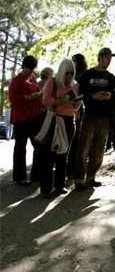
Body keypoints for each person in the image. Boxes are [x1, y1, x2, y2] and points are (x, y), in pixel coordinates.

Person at [75, 47, 115, 190]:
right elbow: (79, 94)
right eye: (107, 58)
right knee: (84, 148)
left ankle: (91, 178)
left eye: (110, 58)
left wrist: (110, 96)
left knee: (99, 149)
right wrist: (93, 96)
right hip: (89, 116)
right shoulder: (87, 74)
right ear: (100, 57)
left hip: (105, 117)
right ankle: (79, 179)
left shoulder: (111, 77)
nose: (109, 61)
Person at [37, 59, 81, 197]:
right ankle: (45, 188)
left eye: (71, 73)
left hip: (69, 121)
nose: (69, 76)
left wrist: (77, 101)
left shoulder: (75, 85)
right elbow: (45, 101)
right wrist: (62, 100)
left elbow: (75, 107)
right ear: (62, 71)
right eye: (67, 73)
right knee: (49, 156)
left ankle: (59, 185)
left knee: (63, 155)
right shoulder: (53, 82)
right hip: (54, 120)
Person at [8, 55, 44, 186]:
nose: (30, 71)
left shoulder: (33, 78)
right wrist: (28, 98)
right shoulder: (16, 81)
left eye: (32, 68)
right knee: (20, 148)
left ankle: (36, 174)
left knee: (39, 146)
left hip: (35, 117)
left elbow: (38, 91)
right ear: (23, 66)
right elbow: (13, 98)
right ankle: (19, 177)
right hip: (21, 119)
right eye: (29, 68)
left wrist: (39, 95)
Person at [67, 53, 88, 180]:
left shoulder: (81, 75)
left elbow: (82, 93)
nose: (72, 62)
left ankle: (72, 169)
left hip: (78, 109)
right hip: (72, 109)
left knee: (76, 141)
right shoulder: (72, 75)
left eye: (74, 60)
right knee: (72, 141)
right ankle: (70, 169)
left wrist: (78, 107)